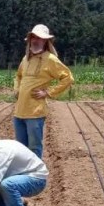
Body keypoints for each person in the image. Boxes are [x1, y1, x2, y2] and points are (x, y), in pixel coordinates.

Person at [14, 24, 74, 159]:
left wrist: (48, 92)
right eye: (33, 37)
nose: (35, 40)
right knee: (21, 148)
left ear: (45, 41)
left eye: (39, 38)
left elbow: (68, 78)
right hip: (19, 112)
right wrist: (17, 89)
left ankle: (35, 175)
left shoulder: (50, 59)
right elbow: (18, 76)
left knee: (34, 147)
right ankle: (25, 175)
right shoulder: (26, 58)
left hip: (35, 113)